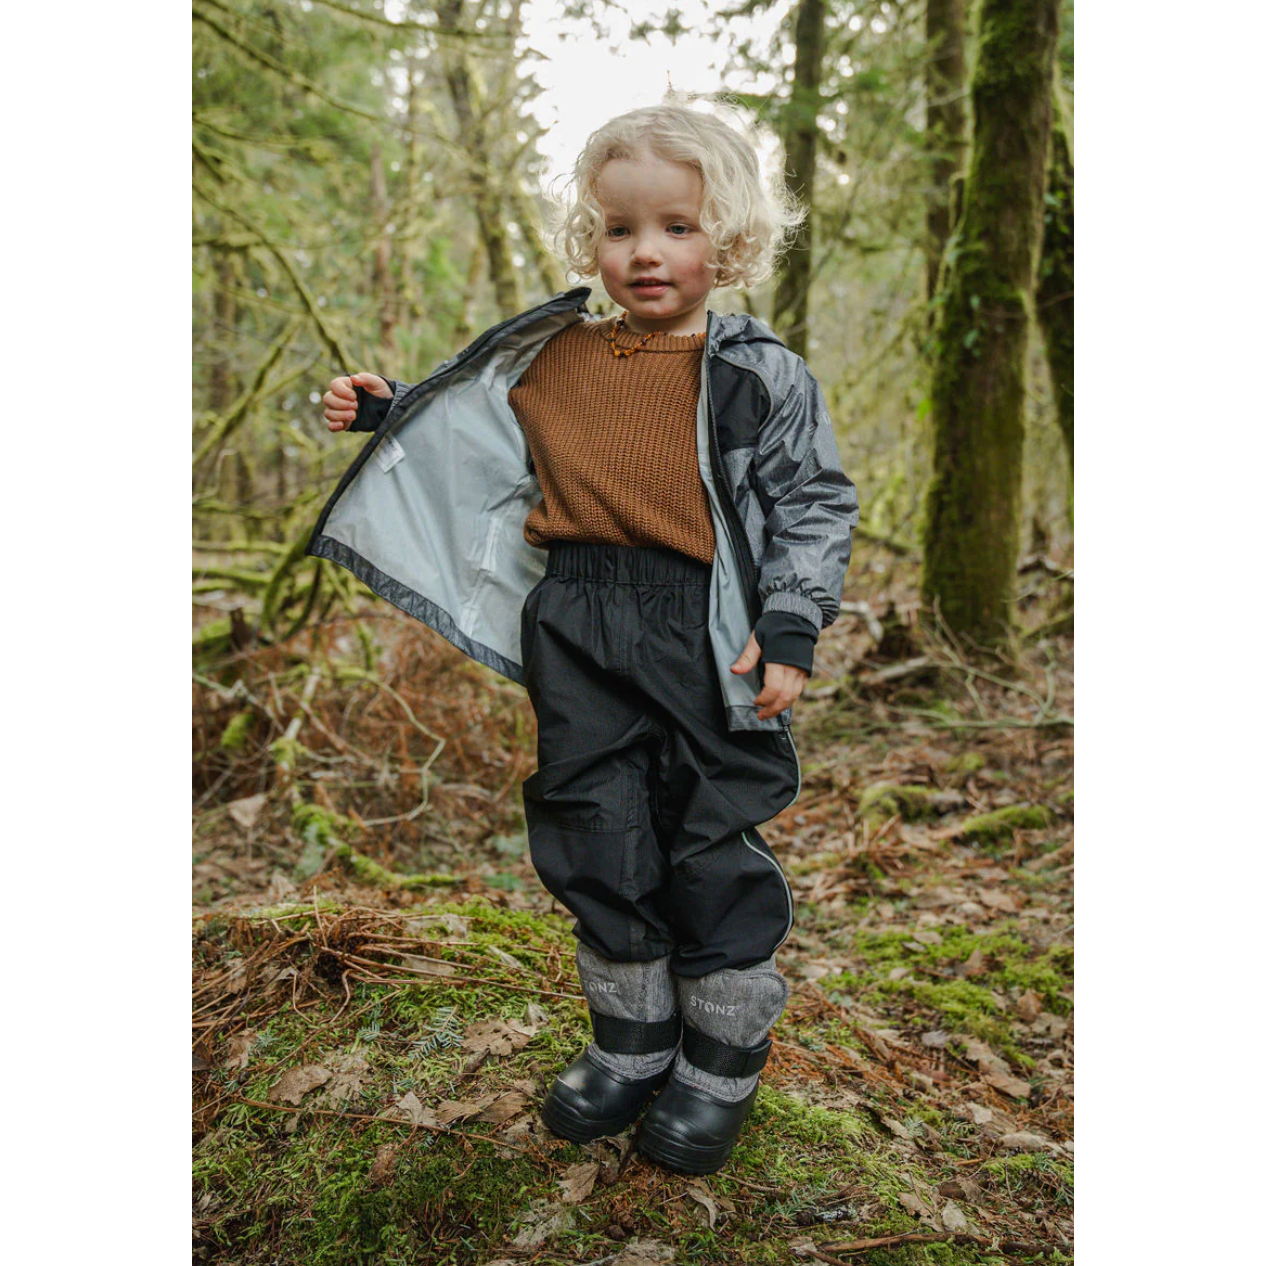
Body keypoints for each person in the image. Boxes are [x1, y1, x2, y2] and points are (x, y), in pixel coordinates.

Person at [314, 99, 859, 1176]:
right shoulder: (554, 357)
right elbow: (468, 432)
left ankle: (721, 1059)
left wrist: (792, 623)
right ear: (591, 239)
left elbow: (812, 502)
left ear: (729, 240)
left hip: (706, 626)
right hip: (576, 616)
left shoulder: (759, 375)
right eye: (620, 228)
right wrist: (386, 409)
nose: (646, 251)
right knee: (591, 821)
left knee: (706, 832)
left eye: (677, 227)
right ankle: (632, 1040)